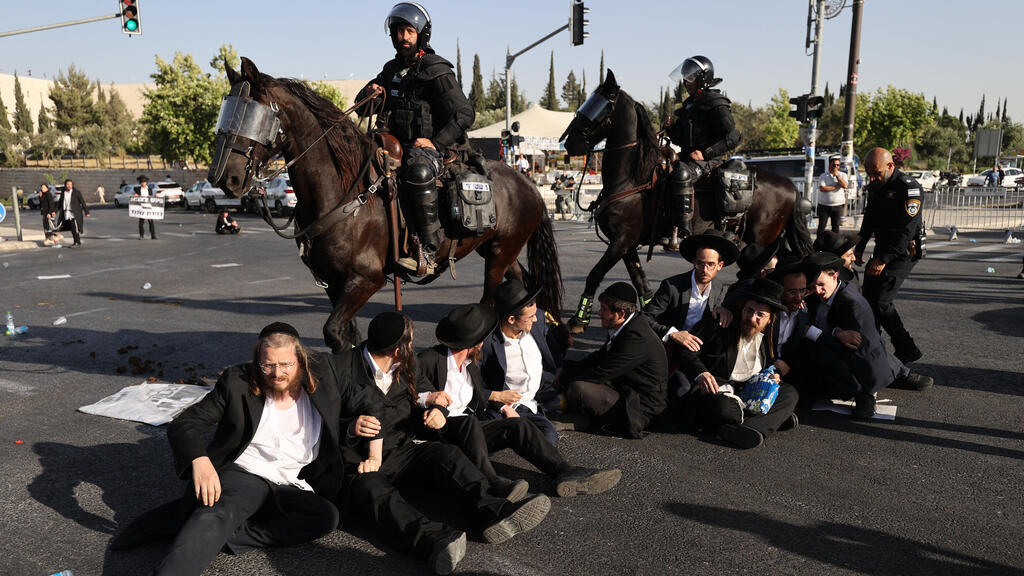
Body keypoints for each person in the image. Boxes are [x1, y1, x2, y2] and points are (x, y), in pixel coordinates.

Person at [111, 323, 346, 575]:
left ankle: (199, 530)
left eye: (285, 364)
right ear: (258, 359)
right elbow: (185, 424)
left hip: (292, 480)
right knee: (216, 516)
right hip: (247, 473)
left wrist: (357, 425)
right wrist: (200, 461)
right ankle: (196, 539)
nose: (277, 373)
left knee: (325, 517)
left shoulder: (324, 374)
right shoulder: (237, 381)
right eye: (268, 365)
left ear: (300, 359)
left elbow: (366, 376)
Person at [333, 311, 551, 575]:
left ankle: (493, 511)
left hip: (401, 447)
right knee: (375, 491)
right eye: (410, 343)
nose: (413, 347)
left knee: (446, 455)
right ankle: (433, 542)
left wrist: (438, 410)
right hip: (361, 461)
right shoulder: (340, 368)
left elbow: (429, 394)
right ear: (397, 349)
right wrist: (350, 428)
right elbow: (319, 419)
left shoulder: (407, 363)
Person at [418, 303, 621, 500]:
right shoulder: (430, 359)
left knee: (519, 425)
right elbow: (410, 390)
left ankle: (565, 471)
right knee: (469, 423)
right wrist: (429, 400)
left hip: (470, 431)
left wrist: (503, 407)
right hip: (442, 434)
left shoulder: (470, 363)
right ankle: (491, 484)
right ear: (474, 342)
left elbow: (479, 394)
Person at [356, 2, 475, 273]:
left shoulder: (436, 69)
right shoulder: (391, 70)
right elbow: (363, 108)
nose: (403, 37)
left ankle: (429, 248)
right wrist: (369, 93)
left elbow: (465, 113)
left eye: (409, 31)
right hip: (394, 146)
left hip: (429, 149)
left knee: (419, 171)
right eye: (399, 31)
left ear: (421, 34)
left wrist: (436, 143)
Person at [799, 252, 932, 419]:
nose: (817, 291)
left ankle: (865, 393)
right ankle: (897, 373)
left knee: (822, 353)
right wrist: (836, 333)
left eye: (821, 284)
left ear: (835, 276)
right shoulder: (818, 294)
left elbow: (859, 347)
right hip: (848, 346)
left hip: (861, 361)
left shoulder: (852, 304)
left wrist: (816, 333)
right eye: (812, 286)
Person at [674, 278, 800, 449]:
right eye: (749, 310)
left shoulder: (767, 336)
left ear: (770, 320)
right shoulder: (720, 322)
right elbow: (685, 351)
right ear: (743, 308)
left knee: (789, 393)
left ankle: (749, 428)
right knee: (723, 408)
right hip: (717, 391)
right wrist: (701, 373)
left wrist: (773, 375)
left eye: (760, 315)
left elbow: (768, 366)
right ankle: (768, 421)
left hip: (748, 391)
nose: (752, 318)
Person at [562, 282, 668, 438]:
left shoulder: (636, 338)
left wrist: (564, 380)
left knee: (578, 388)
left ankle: (589, 416)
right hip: (623, 388)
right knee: (571, 373)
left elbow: (601, 372)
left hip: (638, 407)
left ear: (621, 313)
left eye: (604, 309)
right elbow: (598, 357)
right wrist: (565, 369)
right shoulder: (626, 325)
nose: (599, 313)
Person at [662, 55, 742, 244]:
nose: (686, 82)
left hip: (707, 161)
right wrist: (671, 128)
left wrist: (706, 153)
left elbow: (733, 137)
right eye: (685, 78)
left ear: (702, 78)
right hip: (687, 158)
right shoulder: (690, 105)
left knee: (681, 174)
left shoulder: (716, 103)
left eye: (690, 78)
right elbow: (684, 139)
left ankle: (683, 230)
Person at [855, 148, 924, 364]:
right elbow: (870, 219)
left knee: (882, 301)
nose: (872, 178)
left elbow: (907, 230)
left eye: (876, 173)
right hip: (882, 250)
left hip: (902, 252)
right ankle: (872, 346)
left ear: (890, 166)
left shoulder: (909, 188)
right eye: (869, 173)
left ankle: (907, 349)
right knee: (867, 300)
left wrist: (883, 259)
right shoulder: (876, 187)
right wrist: (859, 246)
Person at [479, 279, 566, 445]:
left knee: (548, 438)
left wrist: (558, 365)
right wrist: (503, 407)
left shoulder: (538, 318)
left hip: (539, 394)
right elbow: (477, 380)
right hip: (505, 404)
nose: (535, 319)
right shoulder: (488, 342)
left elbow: (550, 340)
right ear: (512, 319)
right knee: (485, 439)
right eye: (530, 317)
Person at [644, 230, 739, 355]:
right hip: (669, 348)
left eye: (711, 264)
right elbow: (645, 317)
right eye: (701, 263)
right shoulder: (672, 286)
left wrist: (723, 309)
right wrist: (672, 333)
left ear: (720, 265)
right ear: (694, 262)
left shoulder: (718, 287)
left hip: (699, 349)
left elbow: (714, 314)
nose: (705, 270)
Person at [817, 156, 849, 235]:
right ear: (830, 165)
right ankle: (818, 244)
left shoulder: (843, 175)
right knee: (821, 226)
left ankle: (834, 245)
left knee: (835, 226)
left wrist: (837, 176)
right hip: (824, 205)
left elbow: (845, 185)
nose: (836, 167)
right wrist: (836, 187)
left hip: (837, 205)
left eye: (838, 165)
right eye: (834, 165)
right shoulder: (824, 176)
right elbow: (822, 188)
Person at [57, 178, 89, 248]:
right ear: (65, 185)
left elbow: (82, 202)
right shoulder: (63, 193)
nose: (69, 186)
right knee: (72, 228)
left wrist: (86, 212)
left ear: (72, 185)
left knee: (75, 227)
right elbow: (60, 203)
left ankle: (77, 242)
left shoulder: (76, 192)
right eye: (67, 184)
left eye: (70, 184)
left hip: (75, 213)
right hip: (66, 213)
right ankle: (77, 241)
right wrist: (54, 211)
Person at [134, 176, 158, 240]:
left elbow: (151, 198)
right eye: (141, 182)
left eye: (144, 182)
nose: (143, 183)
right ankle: (141, 235)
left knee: (151, 222)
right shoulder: (138, 189)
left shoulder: (149, 189)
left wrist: (154, 196)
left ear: (146, 182)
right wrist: (135, 195)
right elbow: (134, 197)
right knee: (141, 222)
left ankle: (153, 235)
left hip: (149, 207)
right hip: (141, 207)